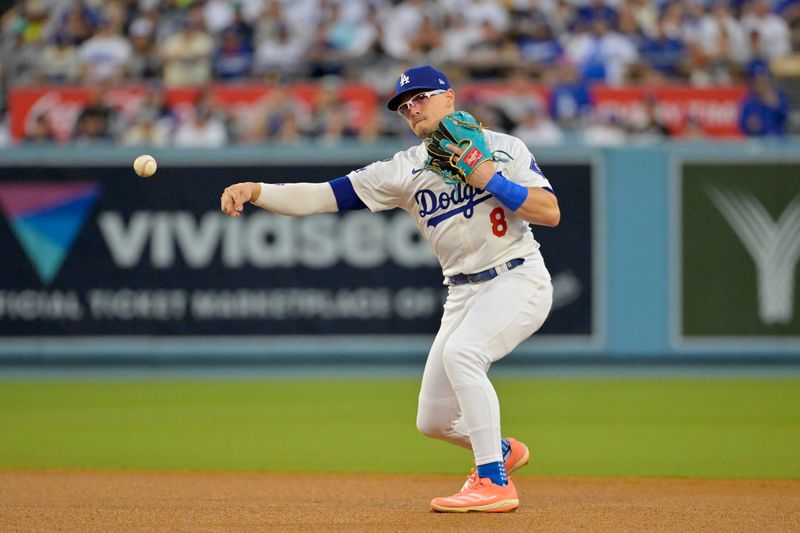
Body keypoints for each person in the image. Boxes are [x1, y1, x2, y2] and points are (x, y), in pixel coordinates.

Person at [219, 65, 560, 513]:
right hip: (462, 292)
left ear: (449, 98)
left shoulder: (502, 147)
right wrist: (258, 190)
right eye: (403, 106)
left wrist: (488, 180)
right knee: (434, 420)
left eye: (420, 97)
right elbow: (322, 196)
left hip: (518, 277)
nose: (411, 108)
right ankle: (501, 451)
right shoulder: (406, 168)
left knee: (464, 355)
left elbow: (549, 212)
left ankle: (494, 481)